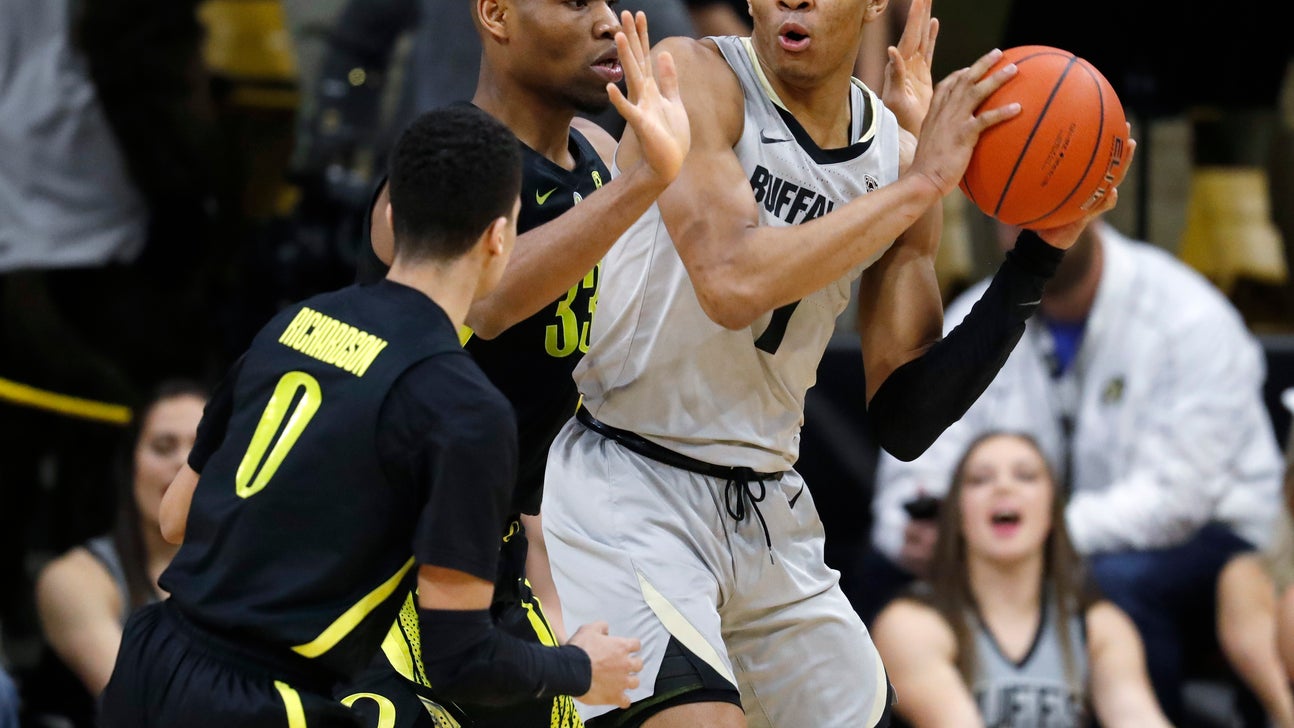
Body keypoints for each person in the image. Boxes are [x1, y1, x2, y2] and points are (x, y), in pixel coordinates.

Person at [539, 0, 1137, 723]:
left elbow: (906, 417)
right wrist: (919, 186)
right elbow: (730, 282)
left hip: (763, 503)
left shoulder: (897, 153)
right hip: (629, 481)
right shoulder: (694, 74)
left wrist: (1040, 254)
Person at [98, 105, 642, 728]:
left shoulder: (291, 324)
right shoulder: (464, 405)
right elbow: (461, 659)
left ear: (389, 213)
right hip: (258, 701)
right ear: (499, 239)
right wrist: (579, 667)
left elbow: (176, 516)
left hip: (151, 657)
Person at [342, 6, 691, 727]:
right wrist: (644, 182)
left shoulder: (599, 151)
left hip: (492, 547)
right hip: (383, 562)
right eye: (571, 1)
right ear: (496, 14)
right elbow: (486, 302)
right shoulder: (444, 166)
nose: (604, 20)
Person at [872, 216, 1292, 725]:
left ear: (1096, 204)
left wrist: (1036, 528)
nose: (1035, 231)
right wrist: (924, 529)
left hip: (1204, 533)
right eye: (1017, 216)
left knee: (1116, 583)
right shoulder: (977, 318)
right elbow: (908, 476)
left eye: (1053, 212)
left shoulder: (1189, 314)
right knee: (879, 574)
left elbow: (1178, 498)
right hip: (1029, 544)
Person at [871, 432, 1170, 727]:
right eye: (980, 479)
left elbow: (1137, 717)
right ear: (956, 514)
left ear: (1054, 511)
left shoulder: (1100, 625)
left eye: (1025, 476)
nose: (1004, 487)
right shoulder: (910, 623)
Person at [35, 381, 206, 697]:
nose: (183, 462)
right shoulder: (74, 579)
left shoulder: (250, 573)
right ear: (130, 466)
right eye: (163, 447)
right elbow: (142, 706)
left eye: (204, 447)